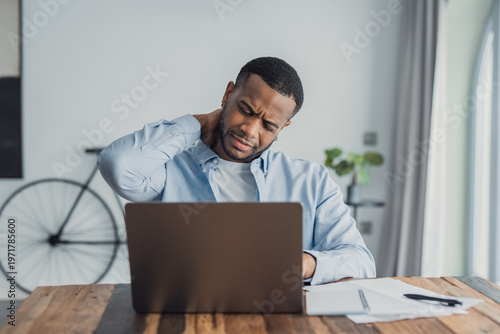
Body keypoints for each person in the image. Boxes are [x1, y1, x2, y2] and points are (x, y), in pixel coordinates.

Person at [98, 56, 376, 285]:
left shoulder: (312, 182)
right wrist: (198, 125)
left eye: (269, 126)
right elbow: (118, 165)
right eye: (245, 110)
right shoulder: (172, 170)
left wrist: (306, 263)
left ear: (282, 129)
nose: (250, 131)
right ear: (228, 93)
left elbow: (361, 262)